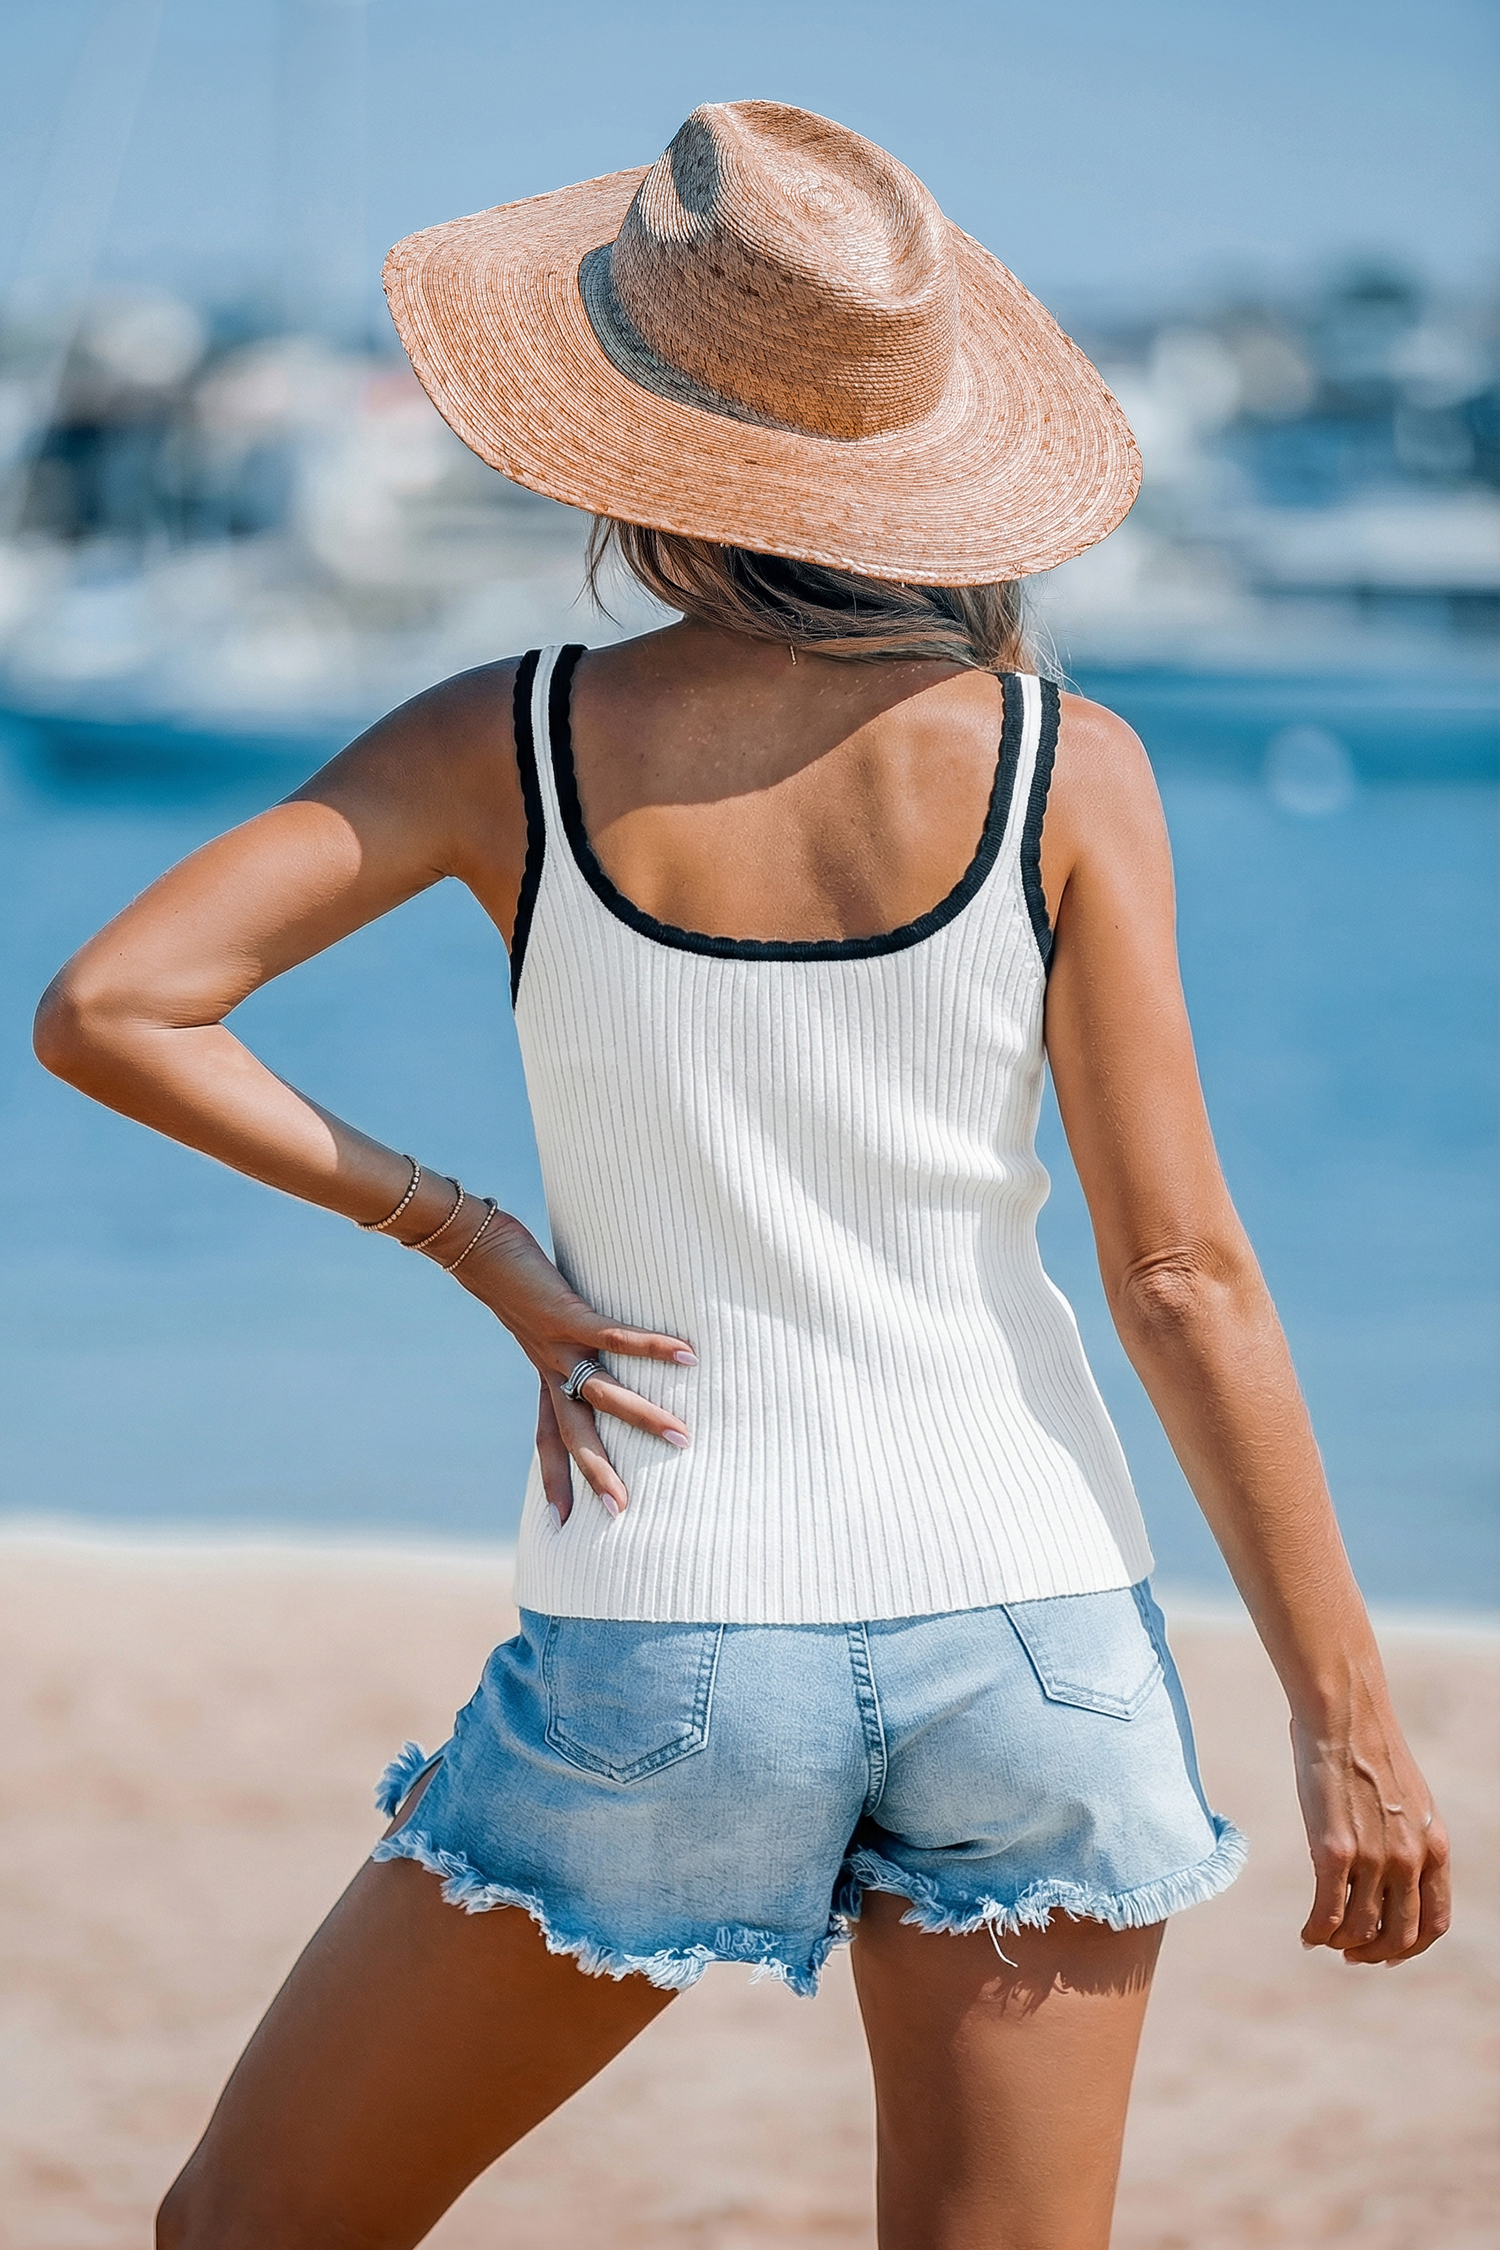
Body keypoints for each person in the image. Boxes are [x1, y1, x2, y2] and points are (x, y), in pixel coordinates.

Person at [34, 101, 1448, 2250]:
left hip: (679, 1620)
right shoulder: (1071, 765)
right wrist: (1347, 1715)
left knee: (248, 2230)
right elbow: (1187, 1279)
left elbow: (112, 1006)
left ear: (621, 426)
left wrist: (467, 1237)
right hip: (1043, 1632)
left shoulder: (500, 742)